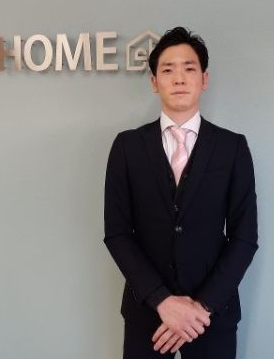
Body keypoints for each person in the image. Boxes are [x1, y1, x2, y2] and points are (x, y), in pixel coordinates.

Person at [104, 26, 258, 358]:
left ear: (204, 79)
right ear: (154, 82)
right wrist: (162, 300)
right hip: (147, 314)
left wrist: (200, 308)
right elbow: (117, 234)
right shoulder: (127, 147)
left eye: (189, 68)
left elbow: (244, 237)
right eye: (167, 70)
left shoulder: (232, 147)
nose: (178, 78)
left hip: (210, 316)